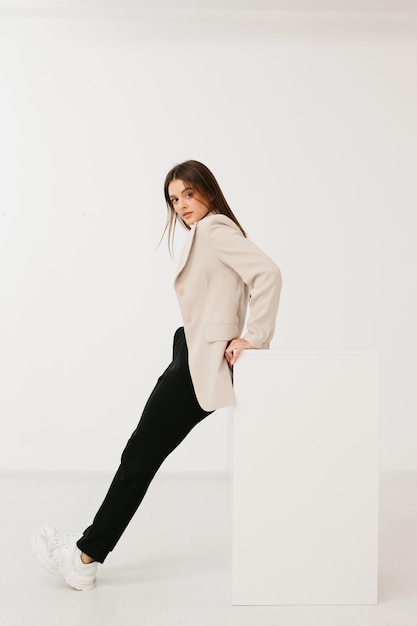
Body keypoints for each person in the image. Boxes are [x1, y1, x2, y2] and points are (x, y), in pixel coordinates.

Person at [31, 160, 282, 590]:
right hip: (191, 352)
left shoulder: (216, 229)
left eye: (188, 193)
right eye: (173, 199)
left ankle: (84, 558)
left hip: (200, 361)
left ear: (207, 190)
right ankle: (86, 550)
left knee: (140, 455)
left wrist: (253, 338)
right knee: (141, 453)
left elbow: (268, 274)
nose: (181, 205)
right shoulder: (206, 232)